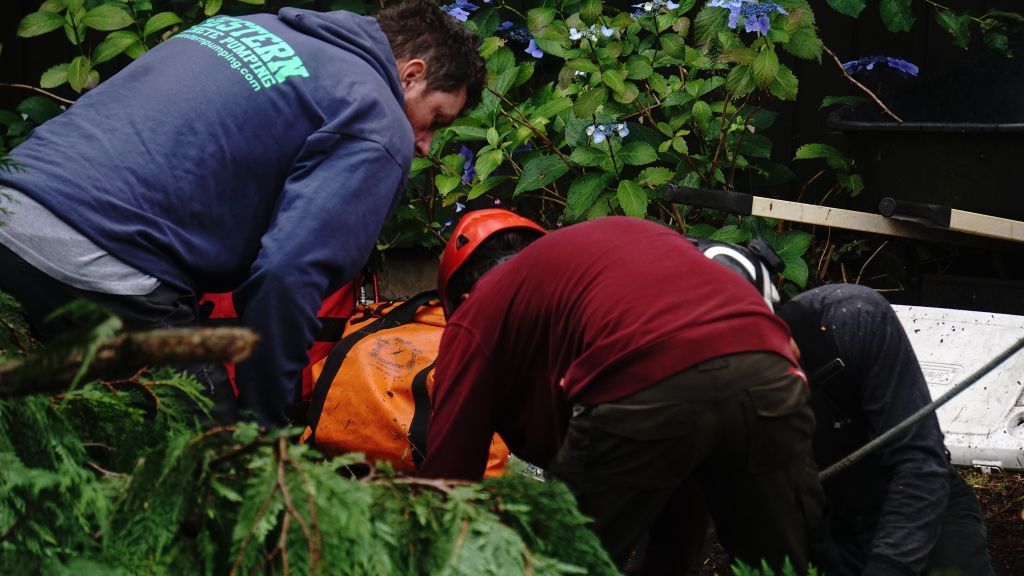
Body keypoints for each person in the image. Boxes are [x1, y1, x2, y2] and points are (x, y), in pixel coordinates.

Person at [0, 0, 485, 427]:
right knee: (218, 472)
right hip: (106, 261)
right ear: (412, 74)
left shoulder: (250, 27)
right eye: (436, 120)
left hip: (11, 210)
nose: (424, 144)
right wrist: (264, 431)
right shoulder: (376, 118)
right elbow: (287, 277)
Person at [417, 210, 825, 572]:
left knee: (562, 563)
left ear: (461, 299)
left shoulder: (479, 310)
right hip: (770, 368)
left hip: (651, 378)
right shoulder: (596, 268)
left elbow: (450, 480)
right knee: (779, 564)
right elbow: (683, 473)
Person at [778, 283, 994, 576]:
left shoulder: (849, 318)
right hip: (828, 530)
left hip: (922, 507)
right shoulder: (711, 393)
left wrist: (890, 566)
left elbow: (919, 462)